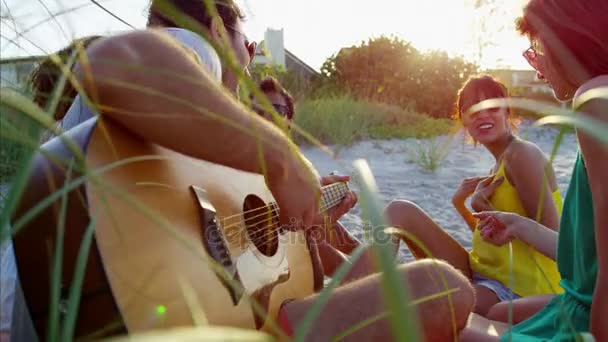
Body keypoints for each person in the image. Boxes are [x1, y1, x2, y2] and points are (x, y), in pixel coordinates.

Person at [7, 1, 475, 342]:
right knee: (442, 287)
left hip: (68, 307)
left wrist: (307, 215)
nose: (247, 61)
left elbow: (251, 257)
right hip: (143, 312)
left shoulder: (196, 143)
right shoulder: (195, 47)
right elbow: (120, 62)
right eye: (246, 45)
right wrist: (283, 159)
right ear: (214, 24)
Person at [460, 0, 608, 340]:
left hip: (584, 319)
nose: (538, 70)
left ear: (566, 39)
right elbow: (585, 259)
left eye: (537, 48)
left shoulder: (594, 97)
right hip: (573, 305)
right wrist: (517, 224)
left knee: (432, 319)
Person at [382, 75, 564, 316]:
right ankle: (364, 284)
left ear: (506, 111)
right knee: (399, 211)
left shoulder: (522, 155)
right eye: (472, 109)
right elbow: (493, 241)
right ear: (464, 121)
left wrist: (503, 218)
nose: (481, 114)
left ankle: (359, 296)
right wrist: (464, 205)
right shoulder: (498, 164)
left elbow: (556, 240)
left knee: (429, 308)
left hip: (517, 287)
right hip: (481, 271)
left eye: (491, 105)